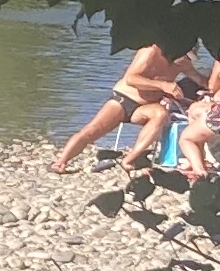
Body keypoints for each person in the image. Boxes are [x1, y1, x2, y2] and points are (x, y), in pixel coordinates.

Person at [51, 42, 192, 174]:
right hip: (124, 100)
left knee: (160, 114)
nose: (186, 58)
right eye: (185, 53)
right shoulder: (150, 51)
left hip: (145, 107)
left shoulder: (182, 63)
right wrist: (163, 85)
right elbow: (131, 78)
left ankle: (129, 159)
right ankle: (61, 162)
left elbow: (199, 79)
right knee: (92, 130)